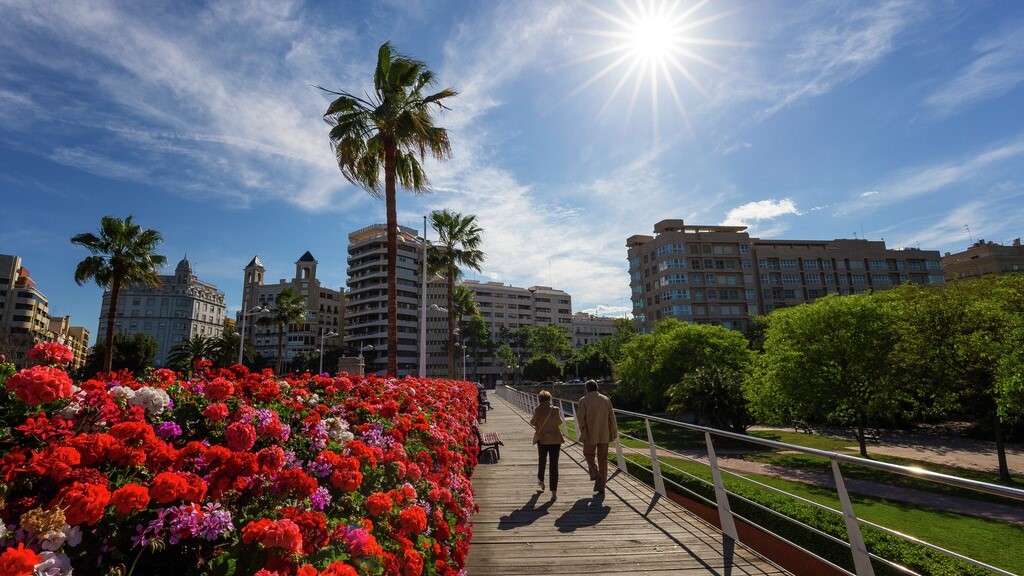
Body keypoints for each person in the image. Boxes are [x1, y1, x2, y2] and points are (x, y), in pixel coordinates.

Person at [576, 380, 617, 493]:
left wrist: (583, 429)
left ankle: (596, 475)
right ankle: (602, 486)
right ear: (597, 388)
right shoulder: (605, 399)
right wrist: (613, 432)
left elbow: (580, 418)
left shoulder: (583, 401)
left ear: (587, 389)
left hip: (589, 433)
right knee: (603, 459)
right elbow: (611, 417)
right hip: (604, 433)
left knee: (588, 454)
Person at [530, 390, 564, 502]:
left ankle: (541, 480)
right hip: (555, 440)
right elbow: (559, 422)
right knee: (554, 465)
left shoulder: (538, 410)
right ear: (550, 399)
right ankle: (554, 492)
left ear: (539, 399)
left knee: (542, 460)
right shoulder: (556, 409)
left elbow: (532, 422)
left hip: (543, 440)